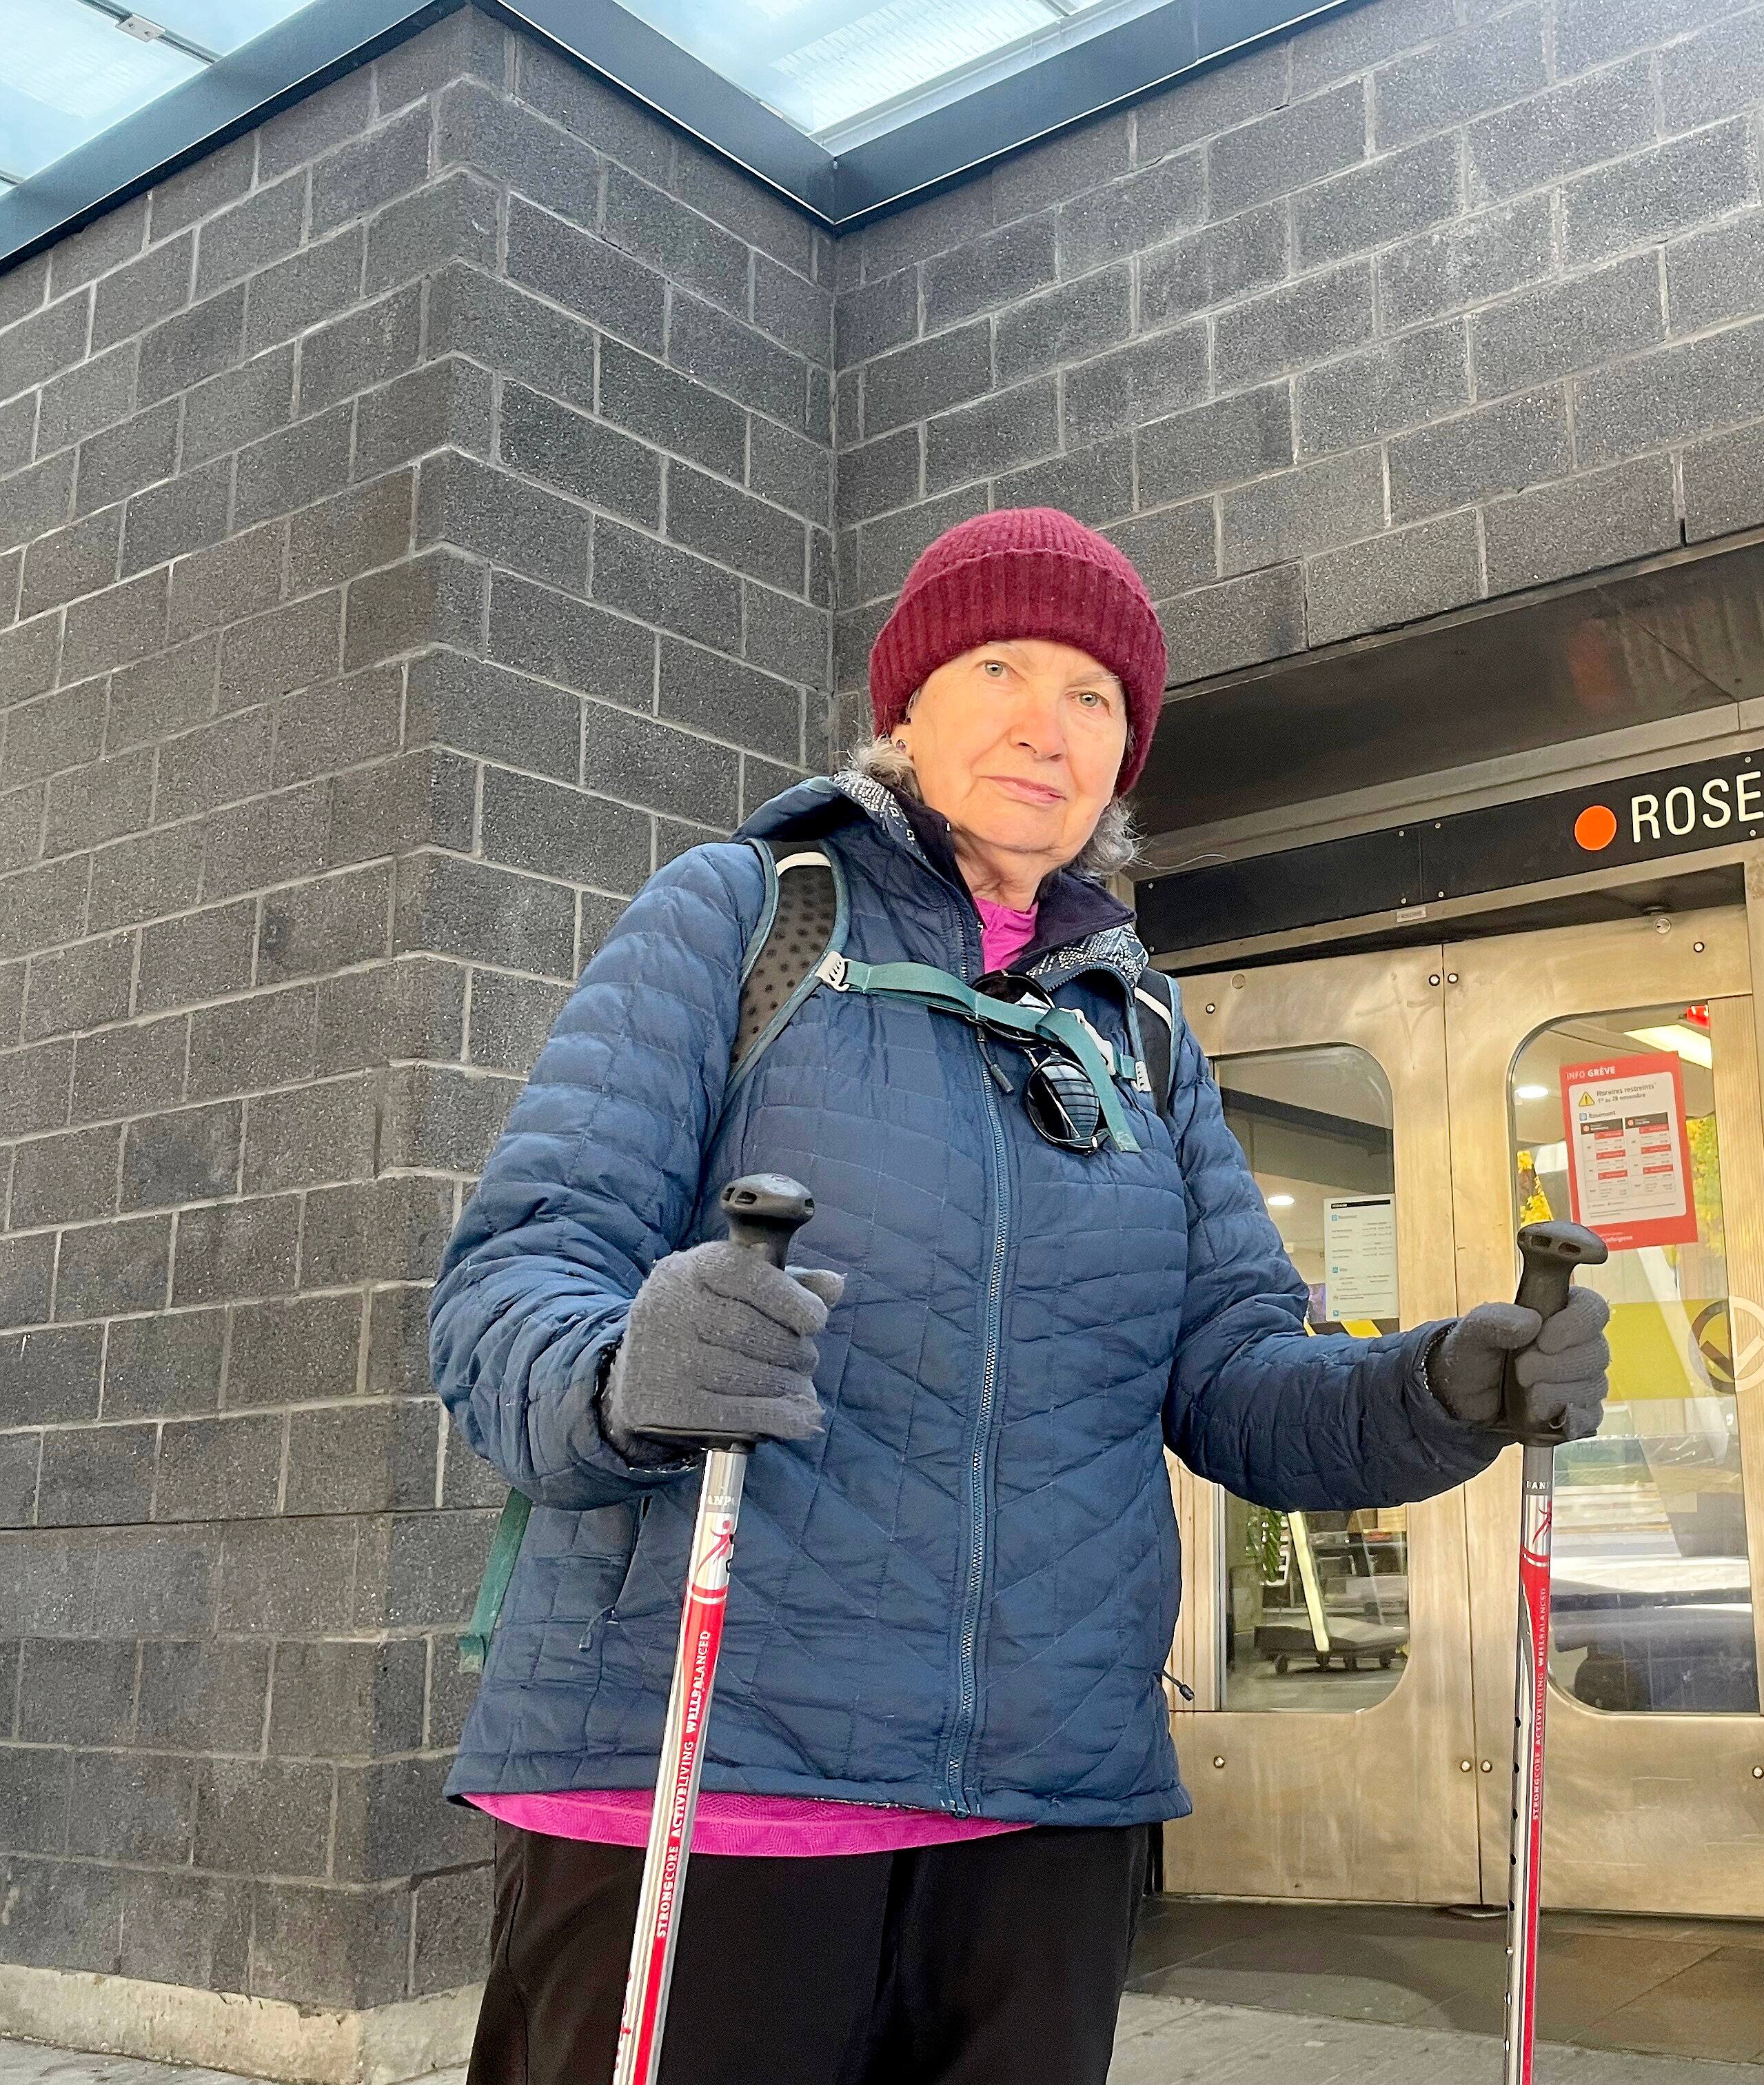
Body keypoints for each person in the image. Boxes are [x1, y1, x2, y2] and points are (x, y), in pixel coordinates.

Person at [431, 508, 1614, 2085]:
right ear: (908, 707)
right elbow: (514, 1281)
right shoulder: (741, 918)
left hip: (1040, 1810)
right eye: (1000, 666)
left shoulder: (1142, 1034)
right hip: (710, 1775)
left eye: (1095, 697)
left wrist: (1440, 1386)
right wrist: (621, 1372)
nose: (1046, 727)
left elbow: (1236, 1380)